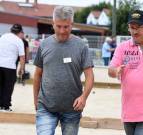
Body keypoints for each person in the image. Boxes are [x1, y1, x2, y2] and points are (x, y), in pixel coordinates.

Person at [33, 6, 94, 135]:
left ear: (72, 24)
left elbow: (89, 76)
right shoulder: (44, 45)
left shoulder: (81, 46)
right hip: (46, 107)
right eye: (58, 26)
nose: (62, 31)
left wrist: (84, 97)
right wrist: (36, 101)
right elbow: (38, 74)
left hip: (72, 108)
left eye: (66, 27)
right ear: (53, 24)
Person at [0, 23, 25, 111]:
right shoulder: (19, 41)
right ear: (20, 32)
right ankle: (5, 106)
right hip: (10, 67)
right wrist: (21, 69)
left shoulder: (3, 36)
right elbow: (22, 57)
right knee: (8, 87)